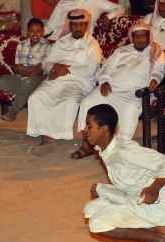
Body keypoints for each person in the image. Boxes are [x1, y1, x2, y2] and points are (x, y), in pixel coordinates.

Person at [83, 104, 165, 242]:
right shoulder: (107, 150)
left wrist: (155, 187)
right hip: (135, 197)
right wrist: (104, 189)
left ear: (104, 129)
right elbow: (128, 181)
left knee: (97, 223)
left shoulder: (125, 151)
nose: (85, 130)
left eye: (89, 126)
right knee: (90, 208)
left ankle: (159, 239)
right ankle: (158, 229)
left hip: (153, 202)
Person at [73, 21, 165, 159]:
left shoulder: (156, 52)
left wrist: (154, 80)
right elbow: (106, 67)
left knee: (130, 109)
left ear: (149, 37)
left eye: (143, 36)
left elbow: (159, 70)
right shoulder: (121, 51)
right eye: (137, 36)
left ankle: (120, 148)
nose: (140, 39)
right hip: (112, 88)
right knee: (88, 101)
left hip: (135, 92)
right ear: (131, 37)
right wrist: (104, 81)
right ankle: (87, 145)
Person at [27, 9, 101, 156]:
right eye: (74, 25)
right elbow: (47, 63)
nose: (78, 28)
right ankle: (46, 136)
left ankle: (52, 136)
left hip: (79, 81)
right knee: (35, 98)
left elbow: (90, 70)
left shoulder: (93, 45)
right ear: (70, 25)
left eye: (81, 25)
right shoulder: (61, 42)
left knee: (70, 102)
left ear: (86, 25)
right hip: (56, 77)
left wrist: (65, 69)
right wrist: (55, 67)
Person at [0, 18, 51, 122]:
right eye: (32, 31)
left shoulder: (46, 46)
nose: (35, 33)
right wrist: (27, 70)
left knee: (29, 81)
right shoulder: (21, 45)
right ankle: (27, 89)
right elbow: (16, 69)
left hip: (38, 78)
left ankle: (14, 110)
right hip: (20, 77)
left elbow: (39, 70)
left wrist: (23, 69)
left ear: (43, 32)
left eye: (38, 31)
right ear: (28, 32)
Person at [44, 0, 124, 41]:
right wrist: (38, 32)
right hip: (55, 40)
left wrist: (107, 17)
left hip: (79, 42)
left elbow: (120, 8)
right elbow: (51, 25)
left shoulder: (97, 1)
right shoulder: (63, 2)